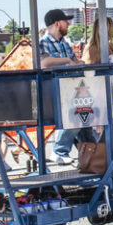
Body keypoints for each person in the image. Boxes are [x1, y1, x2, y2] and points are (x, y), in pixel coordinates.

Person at [39, 9, 92, 165]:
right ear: (57, 23)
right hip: (56, 89)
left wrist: (77, 63)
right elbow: (44, 63)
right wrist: (67, 62)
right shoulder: (44, 41)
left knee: (85, 119)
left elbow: (74, 60)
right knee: (76, 116)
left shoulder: (65, 43)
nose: (68, 24)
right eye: (65, 21)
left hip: (72, 87)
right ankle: (60, 151)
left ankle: (92, 154)